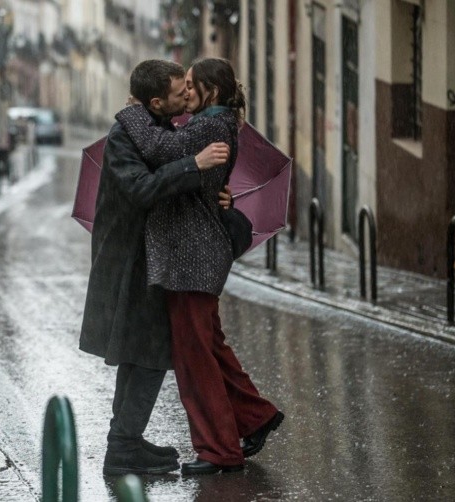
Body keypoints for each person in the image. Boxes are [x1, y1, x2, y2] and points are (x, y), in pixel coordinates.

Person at [114, 57, 284, 476]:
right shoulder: (209, 124)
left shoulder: (209, 126)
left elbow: (160, 149)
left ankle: (219, 450)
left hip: (192, 258)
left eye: (191, 84)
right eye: (183, 85)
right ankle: (255, 417)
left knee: (195, 360)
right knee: (209, 346)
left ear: (212, 90)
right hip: (195, 255)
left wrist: (133, 111)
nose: (186, 91)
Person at [79, 59, 232, 476]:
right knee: (148, 354)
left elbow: (171, 174)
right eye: (180, 91)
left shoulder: (160, 129)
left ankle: (124, 442)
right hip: (130, 262)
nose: (188, 95)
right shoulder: (125, 137)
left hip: (151, 257)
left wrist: (219, 194)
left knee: (139, 354)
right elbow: (143, 189)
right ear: (156, 101)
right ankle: (122, 448)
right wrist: (194, 165)